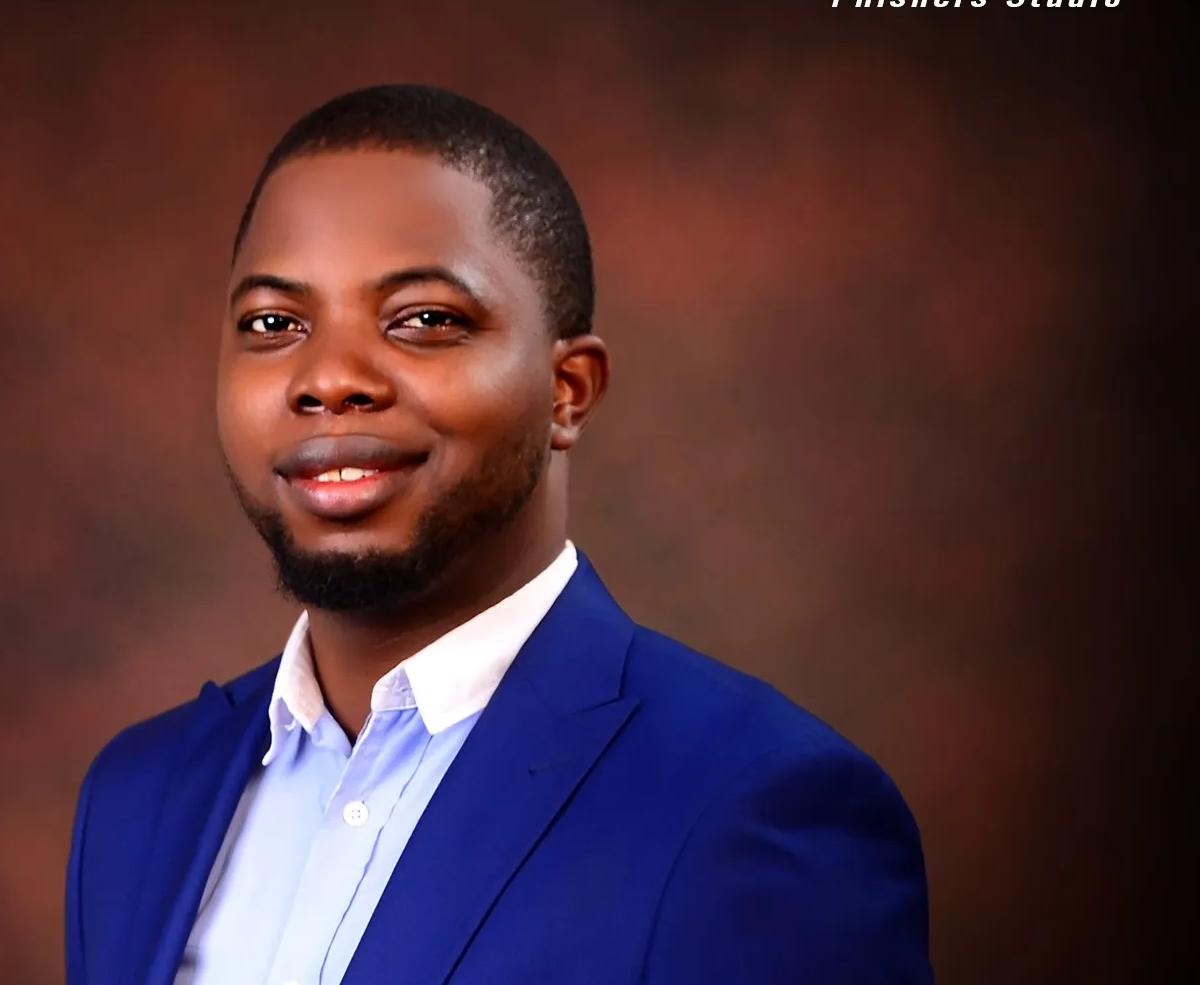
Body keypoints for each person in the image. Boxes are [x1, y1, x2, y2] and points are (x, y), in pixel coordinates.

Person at [63, 83, 933, 985]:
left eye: (425, 320)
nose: (329, 378)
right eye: (274, 323)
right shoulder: (138, 797)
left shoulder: (752, 806)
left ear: (568, 392)